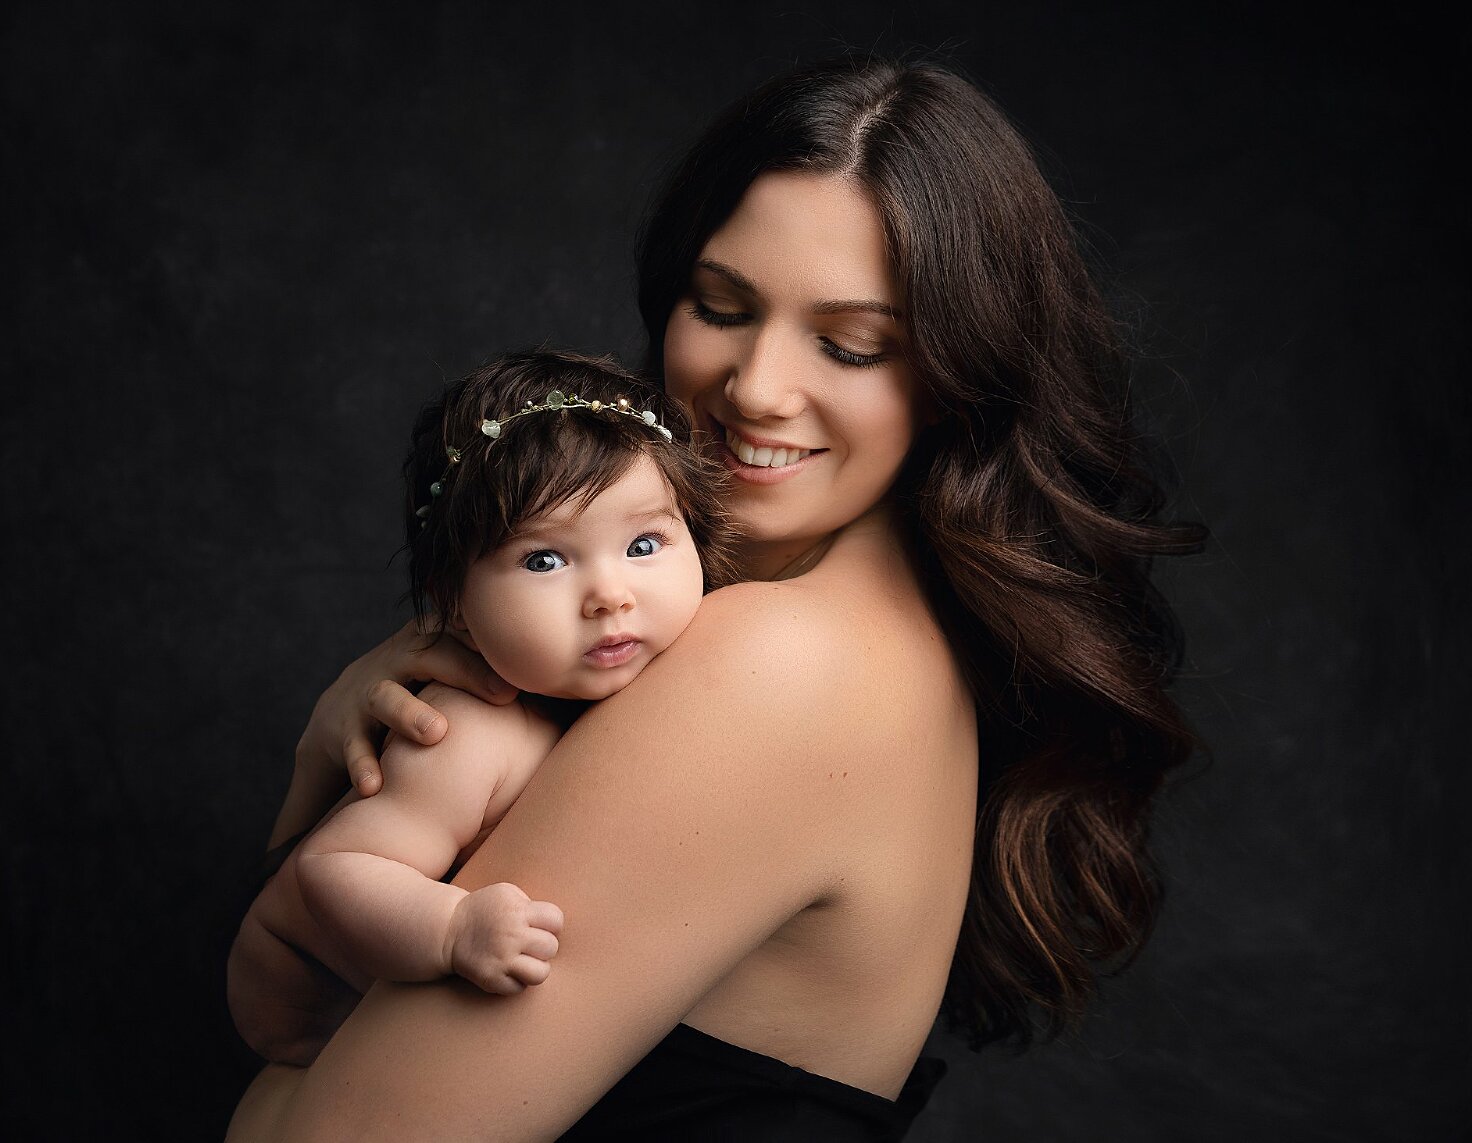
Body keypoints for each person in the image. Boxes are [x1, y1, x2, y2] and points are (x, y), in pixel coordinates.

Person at [227, 53, 1203, 1141]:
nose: (753, 389)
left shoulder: (772, 666)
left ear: (956, 376)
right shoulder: (779, 622)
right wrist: (357, 725)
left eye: (849, 344)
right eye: (721, 306)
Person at [229, 349, 739, 1066]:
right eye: (544, 560)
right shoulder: (469, 729)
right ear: (455, 607)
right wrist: (452, 926)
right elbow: (336, 867)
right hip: (306, 995)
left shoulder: (689, 670)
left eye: (644, 543)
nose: (610, 595)